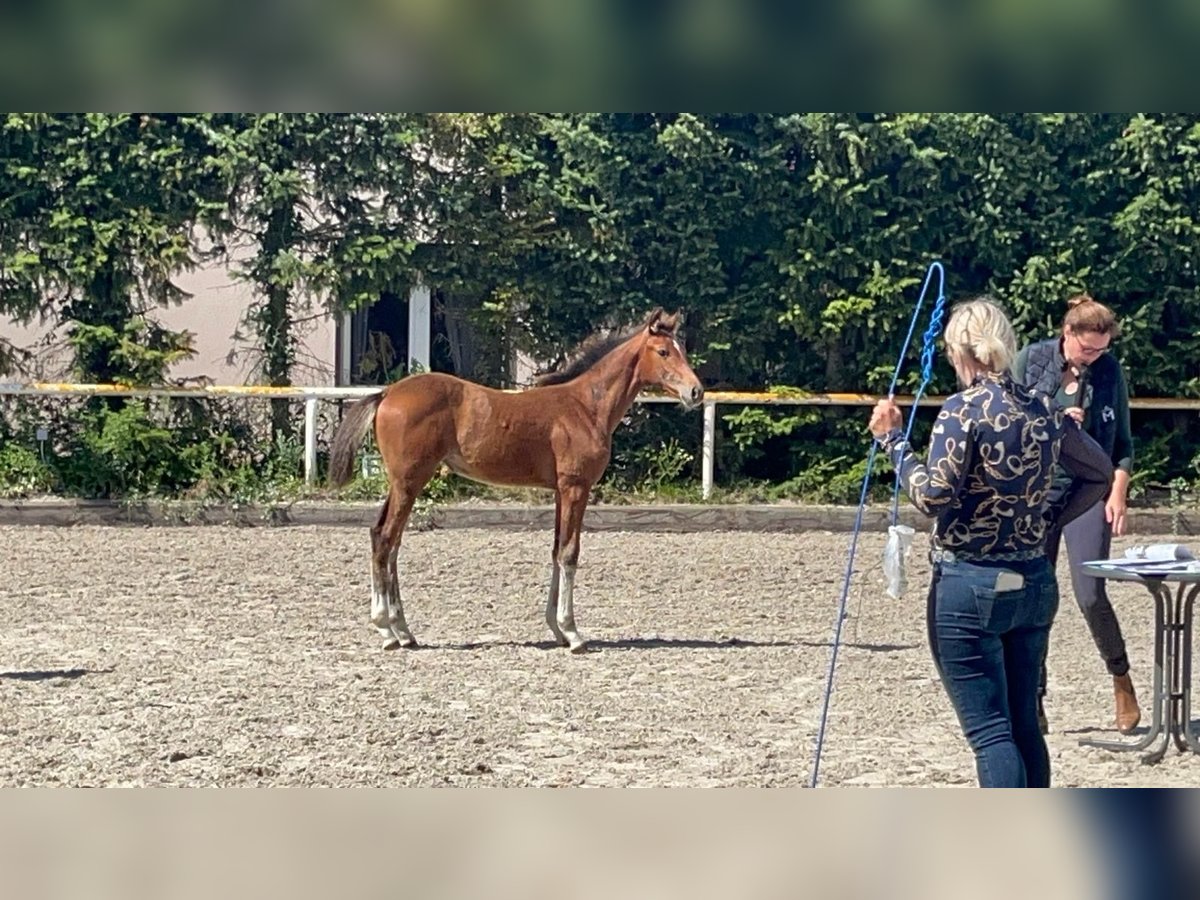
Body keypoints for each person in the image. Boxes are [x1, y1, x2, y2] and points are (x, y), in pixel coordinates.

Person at [868, 297, 1112, 788]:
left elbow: (933, 495)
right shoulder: (1045, 408)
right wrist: (1048, 521)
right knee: (1024, 726)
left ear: (961, 352)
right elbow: (1100, 473)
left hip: (970, 584)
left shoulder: (963, 410)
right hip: (1033, 583)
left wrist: (894, 445)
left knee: (991, 733)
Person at [1011, 294, 1140, 735]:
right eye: (1088, 349)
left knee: (1090, 594)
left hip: (1089, 490)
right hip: (1037, 494)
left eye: (1102, 349)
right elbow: (1005, 420)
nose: (1095, 356)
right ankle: (1033, 697)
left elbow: (1122, 442)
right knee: (1034, 597)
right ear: (1067, 334)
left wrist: (1118, 488)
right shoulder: (1030, 360)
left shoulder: (1109, 371)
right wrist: (1051, 417)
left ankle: (1121, 678)